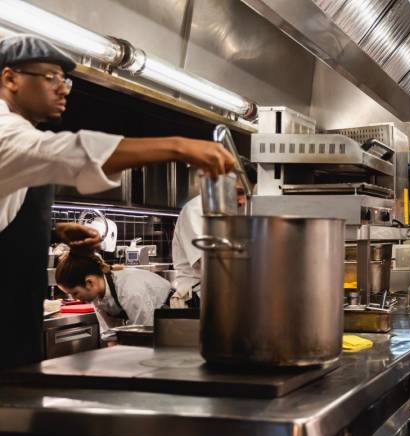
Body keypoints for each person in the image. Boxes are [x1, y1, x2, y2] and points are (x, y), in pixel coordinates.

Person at [0, 34, 237, 368]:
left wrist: (52, 232)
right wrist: (180, 146)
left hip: (15, 322)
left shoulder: (21, 135)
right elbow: (74, 154)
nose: (63, 88)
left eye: (65, 80)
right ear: (10, 79)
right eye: (50, 77)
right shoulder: (5, 130)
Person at [171, 169, 248, 308]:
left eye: (246, 194)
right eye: (239, 192)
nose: (243, 200)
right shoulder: (196, 210)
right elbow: (209, 263)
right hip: (196, 298)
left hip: (224, 293)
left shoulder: (234, 208)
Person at [55, 250, 172, 339]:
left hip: (173, 319)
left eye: (75, 293)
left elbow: (145, 336)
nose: (75, 299)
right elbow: (111, 335)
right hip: (152, 330)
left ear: (89, 282)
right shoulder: (97, 296)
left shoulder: (129, 290)